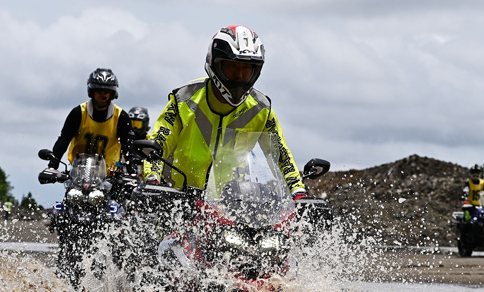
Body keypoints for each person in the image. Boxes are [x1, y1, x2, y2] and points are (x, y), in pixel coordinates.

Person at [142, 25, 307, 200]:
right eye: (233, 67)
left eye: (246, 69)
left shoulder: (260, 108)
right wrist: (153, 182)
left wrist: (299, 192)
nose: (239, 75)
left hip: (229, 206)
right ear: (215, 64)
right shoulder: (184, 99)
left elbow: (281, 155)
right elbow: (159, 144)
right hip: (175, 200)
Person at [47, 68, 133, 174]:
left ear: (112, 94)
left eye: (106, 91)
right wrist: (52, 166)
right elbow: (63, 140)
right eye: (98, 90)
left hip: (109, 176)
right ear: (91, 92)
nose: (102, 95)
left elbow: (129, 147)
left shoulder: (121, 117)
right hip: (78, 174)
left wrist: (132, 173)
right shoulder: (78, 113)